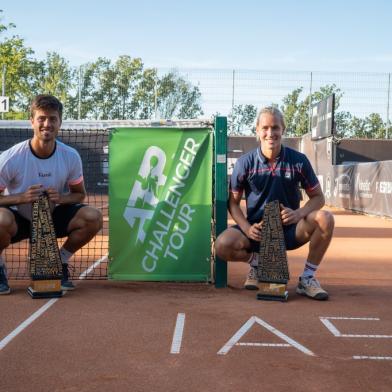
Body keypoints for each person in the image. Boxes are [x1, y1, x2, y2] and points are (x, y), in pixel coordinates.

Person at [215, 106, 334, 300]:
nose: (270, 133)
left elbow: (318, 198)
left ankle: (307, 278)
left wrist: (299, 213)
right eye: (265, 128)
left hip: (290, 230)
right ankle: (258, 263)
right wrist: (246, 227)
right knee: (222, 245)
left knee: (325, 218)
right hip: (257, 232)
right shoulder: (244, 163)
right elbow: (233, 203)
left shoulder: (298, 161)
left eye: (275, 128)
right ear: (257, 130)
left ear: (283, 130)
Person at [0, 94, 103, 294]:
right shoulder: (10, 158)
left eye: (52, 119)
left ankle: (60, 261)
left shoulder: (70, 156)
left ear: (60, 122)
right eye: (41, 118)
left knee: (93, 217)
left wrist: (61, 198)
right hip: (18, 219)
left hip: (51, 218)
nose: (47, 124)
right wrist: (21, 198)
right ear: (32, 122)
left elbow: (79, 194)